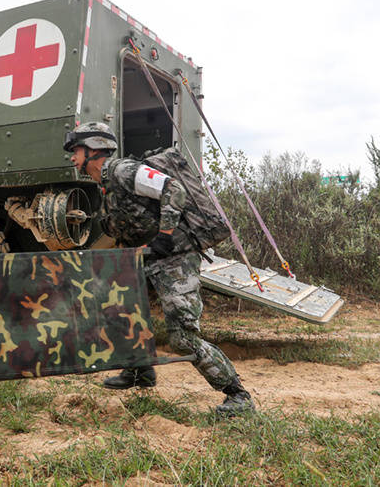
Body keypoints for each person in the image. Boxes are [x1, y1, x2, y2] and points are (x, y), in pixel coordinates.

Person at [63, 122, 254, 416]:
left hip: (175, 257)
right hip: (149, 258)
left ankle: (238, 396)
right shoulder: (106, 185)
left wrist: (165, 235)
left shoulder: (123, 171)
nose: (72, 156)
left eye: (75, 149)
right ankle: (140, 371)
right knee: (118, 308)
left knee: (183, 337)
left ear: (93, 149)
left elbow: (172, 188)